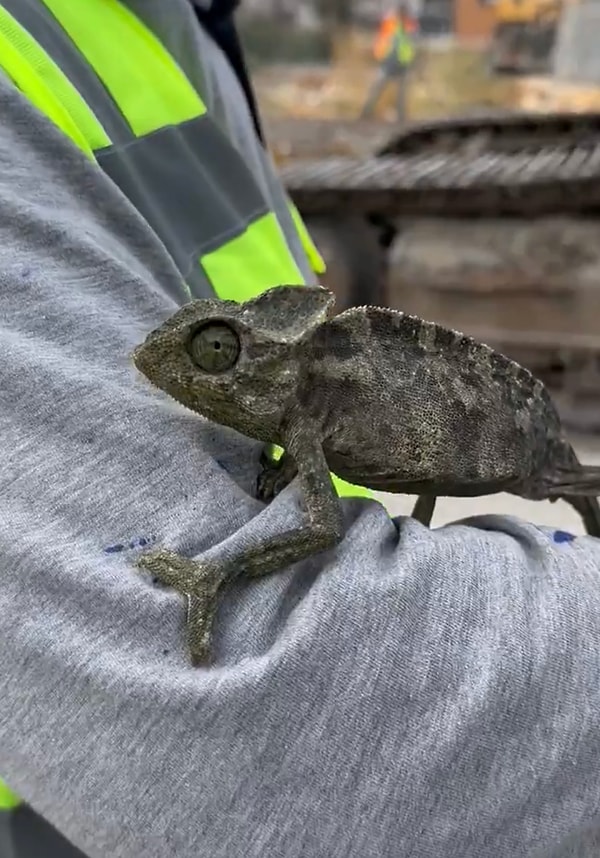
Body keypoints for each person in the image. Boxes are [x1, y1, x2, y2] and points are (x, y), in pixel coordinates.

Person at [1, 1, 600, 857]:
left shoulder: (190, 32)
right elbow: (280, 715)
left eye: (216, 352)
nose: (186, 372)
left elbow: (322, 523)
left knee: (568, 482)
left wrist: (217, 572)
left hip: (510, 445)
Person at [360, 2, 418, 122]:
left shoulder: (411, 26)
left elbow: (413, 44)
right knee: (377, 88)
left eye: (404, 12)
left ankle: (401, 118)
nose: (403, 14)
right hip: (388, 63)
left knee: (401, 95)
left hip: (403, 64)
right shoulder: (390, 24)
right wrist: (379, 54)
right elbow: (381, 39)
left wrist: (412, 61)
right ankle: (365, 113)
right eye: (401, 12)